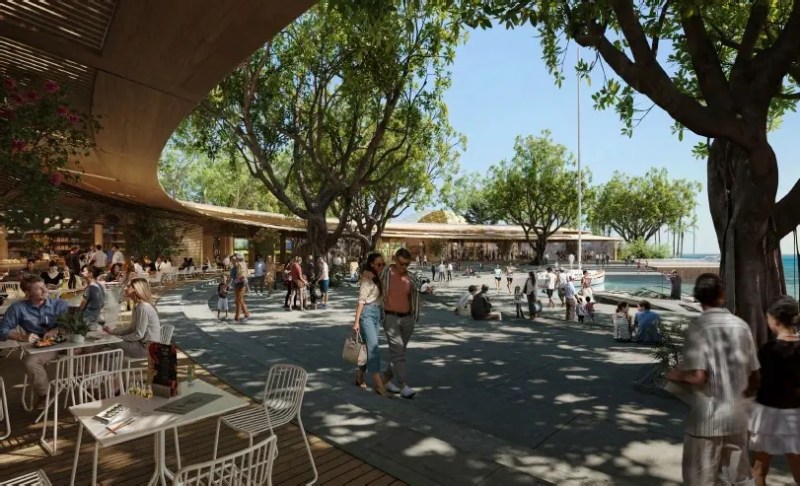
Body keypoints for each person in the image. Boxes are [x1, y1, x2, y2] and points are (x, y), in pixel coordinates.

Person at [667, 273, 760, 485]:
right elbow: (755, 375)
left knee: (701, 478)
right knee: (740, 478)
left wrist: (676, 375)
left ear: (698, 298)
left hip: (707, 419)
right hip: (737, 415)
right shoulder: (741, 326)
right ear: (722, 295)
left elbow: (698, 376)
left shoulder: (698, 328)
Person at [749, 296, 800, 485]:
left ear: (776, 320)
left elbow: (758, 381)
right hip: (796, 414)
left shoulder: (768, 350)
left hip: (768, 414)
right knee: (798, 468)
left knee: (760, 469)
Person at [0, 275, 69, 406]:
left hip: (66, 342)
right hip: (43, 346)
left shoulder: (60, 304)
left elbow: (69, 325)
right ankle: (46, 394)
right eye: (38, 289)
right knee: (31, 362)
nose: (44, 290)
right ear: (27, 293)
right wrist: (22, 337)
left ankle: (95, 386)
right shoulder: (18, 308)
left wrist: (56, 330)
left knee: (94, 349)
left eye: (44, 286)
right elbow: (2, 330)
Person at [373, 248, 433, 399]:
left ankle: (385, 380)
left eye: (407, 264)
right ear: (394, 259)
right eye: (401, 264)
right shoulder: (385, 273)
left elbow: (420, 286)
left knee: (398, 352)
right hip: (390, 317)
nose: (404, 267)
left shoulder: (410, 277)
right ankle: (403, 385)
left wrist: (427, 289)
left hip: (407, 319)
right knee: (398, 350)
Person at [352, 252, 391, 397]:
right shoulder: (367, 278)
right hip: (367, 315)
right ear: (371, 264)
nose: (381, 266)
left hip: (376, 315)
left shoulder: (379, 276)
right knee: (374, 348)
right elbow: (361, 301)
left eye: (383, 264)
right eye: (379, 264)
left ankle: (359, 377)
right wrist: (356, 322)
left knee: (368, 349)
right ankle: (379, 385)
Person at [103, 278, 160, 358]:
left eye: (128, 286)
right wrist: (113, 332)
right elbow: (131, 329)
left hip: (146, 348)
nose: (125, 288)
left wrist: (120, 338)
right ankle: (108, 369)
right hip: (139, 344)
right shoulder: (138, 306)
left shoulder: (143, 307)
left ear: (136, 290)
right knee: (105, 349)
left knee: (106, 341)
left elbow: (138, 334)